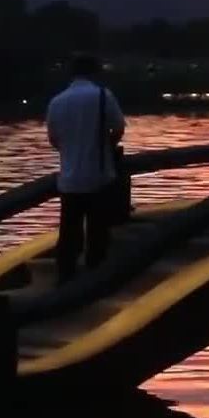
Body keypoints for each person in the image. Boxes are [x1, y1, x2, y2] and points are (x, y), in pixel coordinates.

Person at [48, 56, 126, 284]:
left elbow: (54, 139)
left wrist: (70, 151)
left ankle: (65, 278)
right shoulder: (103, 96)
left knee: (69, 233)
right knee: (98, 232)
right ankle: (95, 279)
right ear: (94, 73)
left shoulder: (57, 101)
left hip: (69, 179)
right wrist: (106, 146)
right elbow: (118, 128)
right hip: (98, 177)